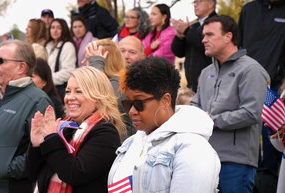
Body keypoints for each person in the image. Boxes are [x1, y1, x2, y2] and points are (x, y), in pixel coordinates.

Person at [108, 57, 220, 192]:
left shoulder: (193, 148)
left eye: (139, 103)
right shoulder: (132, 143)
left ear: (165, 100)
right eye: (128, 104)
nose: (132, 111)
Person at [191, 15, 270, 193]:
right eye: (203, 35)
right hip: (203, 158)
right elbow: (195, 106)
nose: (204, 40)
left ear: (228, 37)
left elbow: (252, 113)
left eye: (210, 35)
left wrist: (211, 120)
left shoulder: (251, 70)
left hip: (236, 163)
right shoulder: (206, 73)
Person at [0, 40, 52, 193]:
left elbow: (43, 150)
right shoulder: (3, 96)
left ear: (21, 67)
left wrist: (6, 170)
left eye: (0, 61)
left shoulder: (37, 101)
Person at [27, 66, 124, 193]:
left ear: (97, 97)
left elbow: (74, 174)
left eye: (78, 91)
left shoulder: (106, 132)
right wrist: (37, 145)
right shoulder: (64, 128)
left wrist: (51, 139)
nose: (70, 97)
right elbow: (34, 175)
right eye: (67, 91)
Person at [239, 0, 285, 178]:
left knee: (271, 134)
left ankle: (269, 179)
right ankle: (251, 175)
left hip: (273, 85)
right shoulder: (249, 9)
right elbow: (238, 44)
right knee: (246, 131)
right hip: (246, 82)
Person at [171, 0, 217, 92]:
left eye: (199, 1)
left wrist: (187, 31)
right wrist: (180, 37)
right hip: (191, 85)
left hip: (211, 83)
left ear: (211, 3)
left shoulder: (218, 23)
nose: (195, 5)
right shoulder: (193, 26)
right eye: (194, 2)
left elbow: (207, 45)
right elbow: (179, 53)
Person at [45, 18, 77, 100]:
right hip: (50, 88)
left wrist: (48, 80)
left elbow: (68, 72)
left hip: (59, 90)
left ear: (64, 30)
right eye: (52, 27)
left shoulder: (67, 46)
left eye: (59, 28)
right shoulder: (49, 46)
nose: (55, 30)